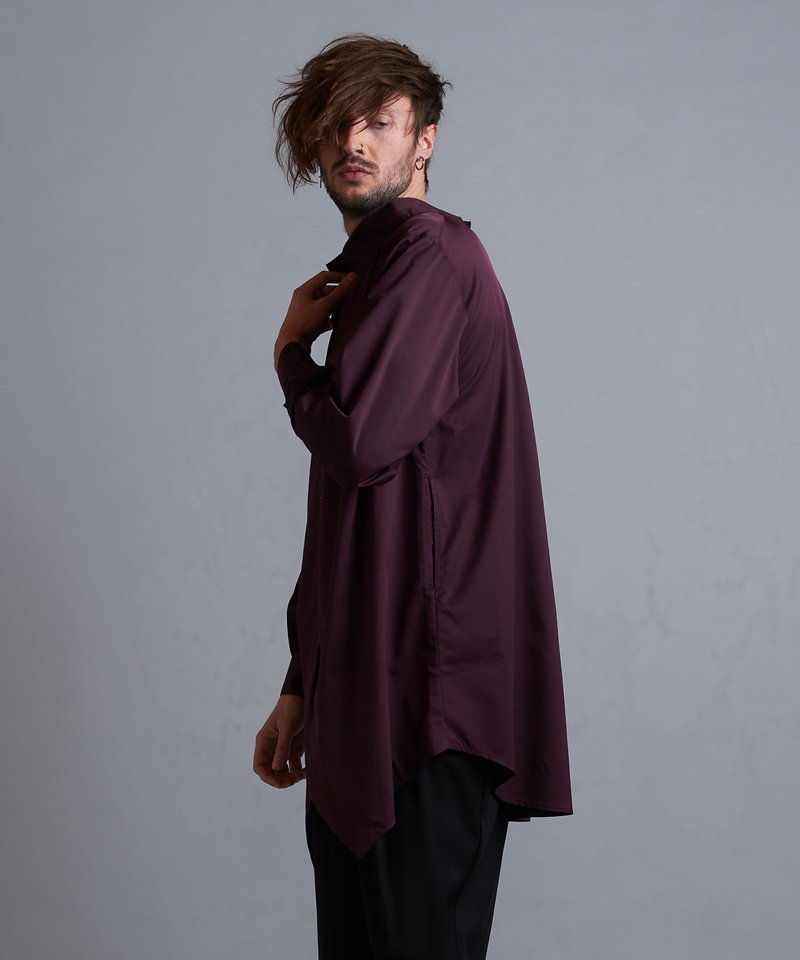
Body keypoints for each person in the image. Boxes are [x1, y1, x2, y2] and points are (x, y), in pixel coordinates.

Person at [253, 33, 572, 960]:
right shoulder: (379, 269)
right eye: (335, 126)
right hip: (368, 692)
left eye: (380, 123)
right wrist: (302, 681)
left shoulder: (430, 256)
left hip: (429, 703)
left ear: (424, 140)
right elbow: (352, 516)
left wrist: (289, 357)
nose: (353, 142)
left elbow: (358, 447)